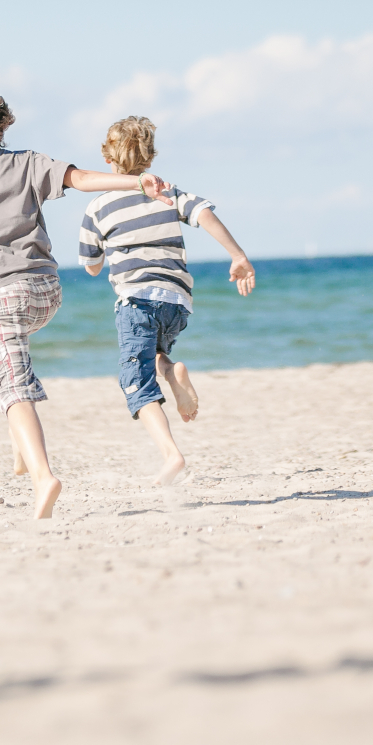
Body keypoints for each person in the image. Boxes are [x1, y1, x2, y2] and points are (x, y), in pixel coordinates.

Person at [0, 77, 170, 518]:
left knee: (12, 383)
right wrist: (136, 182)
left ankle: (42, 477)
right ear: (1, 125)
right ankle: (20, 453)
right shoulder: (27, 163)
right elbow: (83, 179)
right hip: (44, 292)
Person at [77, 117, 256, 485]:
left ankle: (171, 454)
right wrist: (237, 254)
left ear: (108, 160)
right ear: (151, 156)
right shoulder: (169, 192)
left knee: (135, 379)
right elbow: (204, 214)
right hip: (176, 302)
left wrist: (103, 253)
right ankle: (172, 372)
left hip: (136, 302)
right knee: (154, 353)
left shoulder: (98, 208)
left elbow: (92, 266)